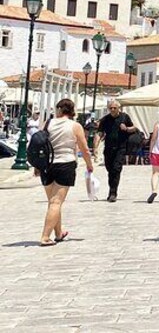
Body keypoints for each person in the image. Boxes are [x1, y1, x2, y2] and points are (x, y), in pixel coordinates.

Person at [36, 99, 94, 246]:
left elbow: (39, 144)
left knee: (53, 202)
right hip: (65, 163)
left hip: (47, 165)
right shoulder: (75, 126)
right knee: (56, 202)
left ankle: (58, 232)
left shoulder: (48, 123)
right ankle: (45, 237)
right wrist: (89, 165)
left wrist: (37, 165)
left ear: (59, 109)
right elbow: (84, 149)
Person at [97, 100, 138, 202]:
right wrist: (95, 147)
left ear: (118, 108)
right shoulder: (105, 119)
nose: (112, 110)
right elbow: (99, 133)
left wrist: (127, 128)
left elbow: (134, 128)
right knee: (110, 170)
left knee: (116, 169)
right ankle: (112, 189)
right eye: (110, 108)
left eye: (114, 108)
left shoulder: (124, 117)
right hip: (108, 148)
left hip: (120, 148)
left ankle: (113, 193)